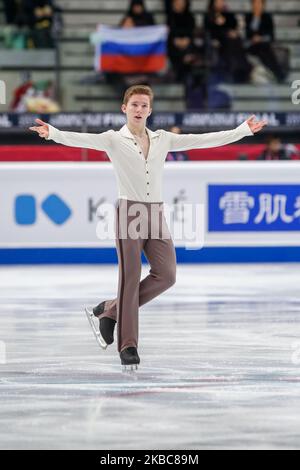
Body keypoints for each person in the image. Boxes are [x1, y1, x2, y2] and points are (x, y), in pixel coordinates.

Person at [29, 84, 267, 370]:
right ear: (124, 108)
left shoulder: (163, 139)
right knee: (130, 279)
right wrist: (53, 133)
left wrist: (242, 130)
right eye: (134, 105)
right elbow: (82, 139)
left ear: (150, 110)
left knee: (166, 275)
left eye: (144, 105)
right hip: (129, 212)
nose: (139, 110)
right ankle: (128, 345)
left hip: (156, 213)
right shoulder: (113, 139)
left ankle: (111, 310)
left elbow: (203, 140)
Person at [204, 0, 252, 83]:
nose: (220, 3)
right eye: (218, 1)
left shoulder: (228, 14)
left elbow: (234, 25)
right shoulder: (208, 16)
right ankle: (236, 71)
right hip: (218, 42)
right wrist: (220, 26)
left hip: (230, 41)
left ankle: (241, 70)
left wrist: (232, 31)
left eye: (222, 1)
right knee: (231, 43)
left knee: (235, 41)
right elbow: (209, 31)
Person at [245, 0, 286, 83]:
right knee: (264, 50)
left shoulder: (267, 17)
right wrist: (256, 18)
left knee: (264, 48)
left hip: (264, 45)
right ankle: (278, 74)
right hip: (252, 46)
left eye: (259, 4)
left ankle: (274, 73)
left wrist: (261, 38)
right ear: (252, 5)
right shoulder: (248, 17)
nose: (257, 6)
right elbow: (249, 34)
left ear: (263, 5)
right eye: (255, 4)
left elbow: (271, 35)